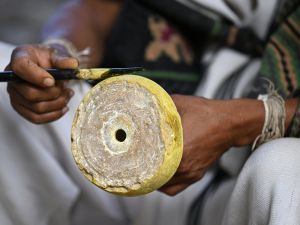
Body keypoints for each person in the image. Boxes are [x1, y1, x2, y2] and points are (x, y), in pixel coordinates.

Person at [2, 0, 300, 225]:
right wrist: (59, 50)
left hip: (245, 187)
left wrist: (244, 122)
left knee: (284, 168)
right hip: (117, 149)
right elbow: (96, 6)